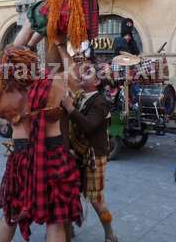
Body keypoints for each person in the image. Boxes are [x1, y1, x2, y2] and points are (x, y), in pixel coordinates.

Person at [0, 46, 82, 242]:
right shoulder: (55, 83)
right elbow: (75, 75)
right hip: (54, 155)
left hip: (21, 158)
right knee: (56, 221)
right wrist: (60, 48)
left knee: (11, 215)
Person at [61, 60, 118, 242]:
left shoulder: (101, 102)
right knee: (70, 192)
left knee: (96, 200)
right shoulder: (79, 95)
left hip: (94, 156)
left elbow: (89, 126)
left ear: (96, 82)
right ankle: (69, 228)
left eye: (87, 72)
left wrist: (70, 108)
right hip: (77, 153)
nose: (82, 74)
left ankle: (110, 233)